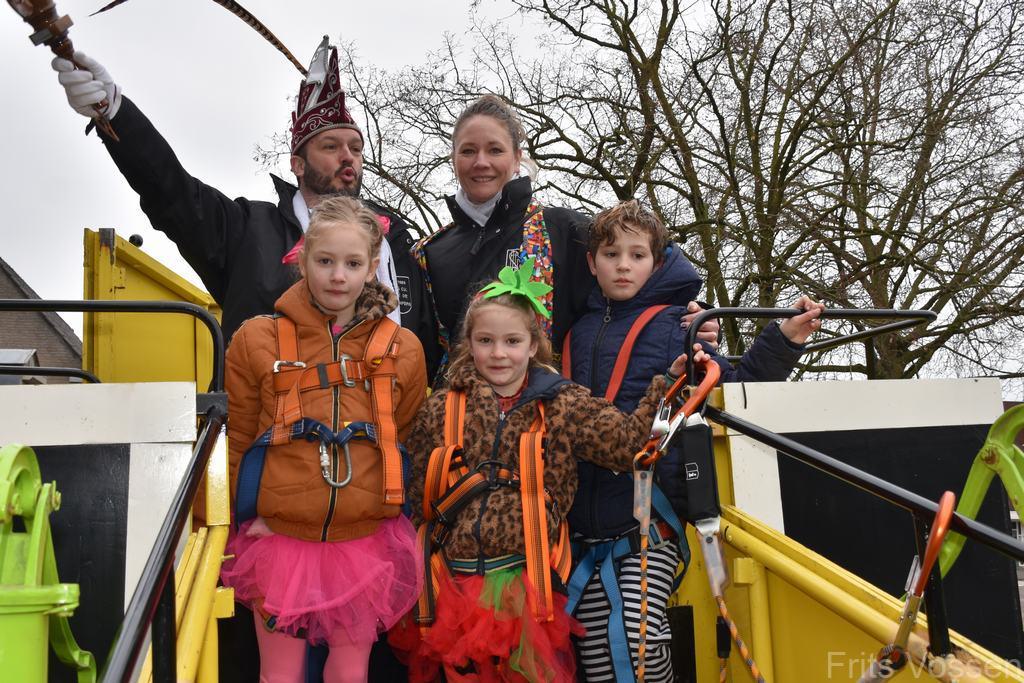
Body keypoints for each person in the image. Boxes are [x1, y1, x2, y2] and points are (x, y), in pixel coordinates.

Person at [389, 258, 693, 682]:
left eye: (512, 341)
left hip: (528, 586)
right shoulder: (442, 407)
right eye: (485, 341)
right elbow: (417, 486)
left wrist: (668, 385)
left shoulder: (563, 404)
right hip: (453, 584)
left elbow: (627, 445)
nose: (498, 353)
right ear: (469, 345)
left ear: (533, 346)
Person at [564, 199, 825, 682]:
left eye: (637, 255)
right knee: (596, 657)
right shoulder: (572, 332)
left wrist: (784, 338)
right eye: (611, 254)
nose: (623, 265)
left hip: (648, 526)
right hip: (579, 530)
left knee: (637, 647)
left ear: (657, 262)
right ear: (591, 263)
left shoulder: (678, 328)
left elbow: (734, 387)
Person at [51, 38, 436, 362]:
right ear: (298, 164)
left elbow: (429, 347)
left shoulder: (397, 244)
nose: (348, 157)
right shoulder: (248, 230)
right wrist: (115, 113)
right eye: (331, 146)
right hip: (269, 423)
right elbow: (171, 191)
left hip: (380, 423)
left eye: (355, 147)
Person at [221, 196, 427, 682]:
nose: (338, 276)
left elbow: (404, 437)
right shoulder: (257, 340)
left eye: (353, 264)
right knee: (280, 674)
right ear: (303, 259)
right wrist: (237, 521)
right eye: (325, 261)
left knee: (350, 672)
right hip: (277, 539)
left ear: (372, 267)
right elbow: (239, 440)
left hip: (364, 542)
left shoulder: (403, 349)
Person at [413, 94, 716, 382]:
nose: (481, 162)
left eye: (495, 150)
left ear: (517, 157)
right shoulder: (429, 253)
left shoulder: (565, 229)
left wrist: (692, 316)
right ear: (453, 158)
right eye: (468, 151)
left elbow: (651, 264)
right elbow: (420, 351)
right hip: (459, 411)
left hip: (553, 409)